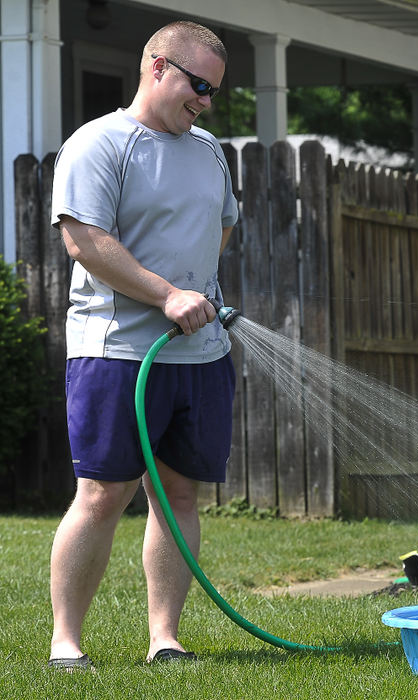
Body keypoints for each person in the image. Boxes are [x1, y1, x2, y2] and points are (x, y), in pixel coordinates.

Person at [48, 21, 238, 670]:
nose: (206, 101)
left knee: (180, 496)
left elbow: (221, 226)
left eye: (213, 90)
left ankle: (166, 638)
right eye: (198, 84)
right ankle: (66, 642)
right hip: (117, 352)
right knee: (103, 495)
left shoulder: (209, 149)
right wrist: (166, 295)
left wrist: (198, 292)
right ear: (158, 69)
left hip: (199, 355)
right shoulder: (99, 144)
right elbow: (85, 241)